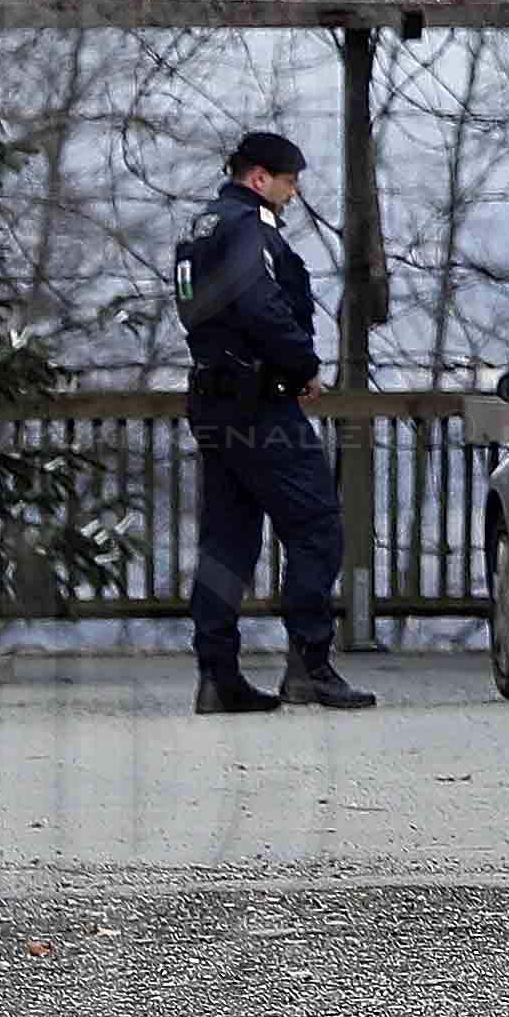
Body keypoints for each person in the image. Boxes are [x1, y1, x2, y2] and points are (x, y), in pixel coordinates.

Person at [174, 127, 370, 715]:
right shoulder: (249, 226)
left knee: (226, 541)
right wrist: (303, 363)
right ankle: (309, 665)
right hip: (259, 402)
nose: (291, 194)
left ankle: (217, 674)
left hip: (212, 397)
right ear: (259, 178)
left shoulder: (199, 227)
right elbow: (260, 304)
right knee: (316, 524)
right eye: (288, 182)